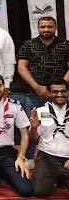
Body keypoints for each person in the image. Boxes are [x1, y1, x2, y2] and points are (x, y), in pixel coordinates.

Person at [17, 16, 69, 159]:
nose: (46, 29)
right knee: (32, 125)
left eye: (50, 27)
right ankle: (28, 158)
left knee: (61, 123)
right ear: (38, 28)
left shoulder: (65, 45)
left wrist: (58, 89)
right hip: (34, 93)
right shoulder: (28, 44)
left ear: (56, 27)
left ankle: (61, 155)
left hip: (60, 95)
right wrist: (37, 87)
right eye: (43, 27)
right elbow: (21, 68)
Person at [29, 78, 69, 197]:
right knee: (39, 192)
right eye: (55, 92)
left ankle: (61, 178)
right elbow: (33, 139)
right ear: (49, 93)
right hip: (48, 158)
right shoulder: (40, 111)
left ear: (67, 92)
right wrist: (34, 127)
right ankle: (59, 177)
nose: (59, 95)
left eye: (63, 91)